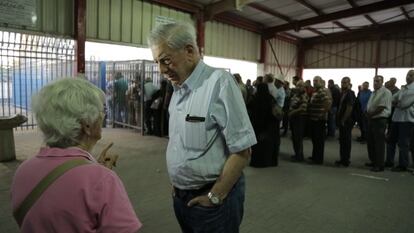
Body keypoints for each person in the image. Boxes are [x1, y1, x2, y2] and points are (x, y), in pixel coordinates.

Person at [149, 22, 256, 233]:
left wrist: (215, 196)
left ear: (189, 51)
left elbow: (243, 150)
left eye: (166, 60)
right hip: (182, 197)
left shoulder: (219, 83)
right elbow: (180, 143)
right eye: (157, 62)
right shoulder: (178, 90)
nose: (161, 70)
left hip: (213, 203)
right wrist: (179, 181)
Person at [10, 77, 142, 232]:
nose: (103, 117)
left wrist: (93, 168)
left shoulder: (23, 171)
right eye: (103, 112)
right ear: (87, 125)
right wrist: (98, 175)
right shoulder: (103, 180)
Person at [386, 70, 414, 172]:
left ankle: (403, 165)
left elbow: (404, 104)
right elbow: (392, 99)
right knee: (390, 141)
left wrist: (396, 103)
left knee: (403, 144)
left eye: (411, 75)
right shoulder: (403, 88)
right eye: (407, 75)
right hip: (396, 118)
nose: (408, 77)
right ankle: (389, 161)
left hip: (407, 120)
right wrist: (397, 102)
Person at [365, 75, 392, 172]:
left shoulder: (386, 92)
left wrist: (370, 115)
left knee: (379, 143)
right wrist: (367, 113)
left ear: (382, 82)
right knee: (371, 142)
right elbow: (370, 105)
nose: (375, 83)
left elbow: (381, 107)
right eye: (374, 81)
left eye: (377, 81)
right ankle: (374, 161)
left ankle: (379, 165)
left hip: (380, 119)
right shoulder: (374, 92)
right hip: (372, 119)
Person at [248, 83, 278, 167]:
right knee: (267, 144)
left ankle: (256, 162)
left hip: (256, 125)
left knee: (257, 144)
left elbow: (248, 108)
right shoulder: (271, 98)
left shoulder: (254, 98)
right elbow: (275, 112)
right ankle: (267, 161)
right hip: (268, 126)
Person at [307, 76, 332, 164]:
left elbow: (328, 103)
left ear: (321, 82)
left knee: (319, 140)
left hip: (319, 120)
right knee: (315, 140)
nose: (314, 82)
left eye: (316, 81)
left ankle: (318, 159)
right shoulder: (316, 91)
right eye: (314, 81)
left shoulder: (322, 91)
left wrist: (322, 114)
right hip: (314, 119)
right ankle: (315, 156)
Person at [335, 77, 356, 167]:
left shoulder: (350, 93)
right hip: (342, 120)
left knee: (346, 141)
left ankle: (345, 160)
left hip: (347, 121)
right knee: (342, 140)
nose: (343, 84)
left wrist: (343, 119)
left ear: (349, 83)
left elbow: (349, 107)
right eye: (342, 82)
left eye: (345, 82)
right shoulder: (343, 93)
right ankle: (342, 159)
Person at [289, 80, 308, 162]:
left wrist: (292, 112)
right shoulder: (296, 94)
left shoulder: (304, 95)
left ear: (303, 87)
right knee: (294, 137)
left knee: (298, 138)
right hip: (294, 118)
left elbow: (303, 107)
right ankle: (297, 154)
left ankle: (300, 156)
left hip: (300, 118)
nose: (298, 87)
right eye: (297, 86)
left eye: (300, 86)